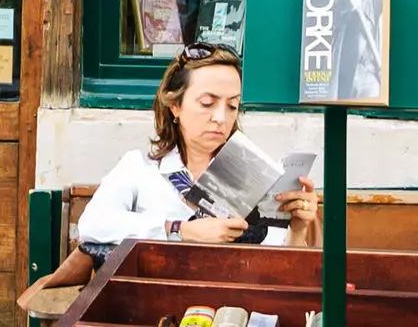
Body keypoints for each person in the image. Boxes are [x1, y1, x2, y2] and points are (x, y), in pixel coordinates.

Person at [74, 43, 320, 262]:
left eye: (232, 105)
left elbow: (277, 267)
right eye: (207, 103)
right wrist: (178, 229)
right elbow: (92, 224)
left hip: (233, 308)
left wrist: (297, 228)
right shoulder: (140, 169)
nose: (221, 118)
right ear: (175, 105)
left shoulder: (256, 178)